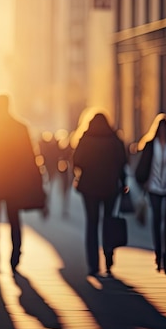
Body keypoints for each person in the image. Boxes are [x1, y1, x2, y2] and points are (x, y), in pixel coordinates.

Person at [0, 94, 45, 274]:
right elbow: (30, 157)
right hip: (14, 184)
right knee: (14, 220)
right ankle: (15, 259)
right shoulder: (20, 127)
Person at [72, 110, 128, 277]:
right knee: (108, 221)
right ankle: (109, 258)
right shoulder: (114, 139)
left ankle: (93, 264)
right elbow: (122, 163)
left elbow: (77, 161)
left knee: (92, 224)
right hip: (110, 187)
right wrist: (123, 183)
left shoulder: (85, 139)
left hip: (89, 187)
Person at [134, 114, 166, 274]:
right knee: (156, 219)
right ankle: (158, 255)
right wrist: (143, 181)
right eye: (160, 129)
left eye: (165, 129)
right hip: (154, 186)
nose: (163, 132)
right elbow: (143, 165)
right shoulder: (150, 144)